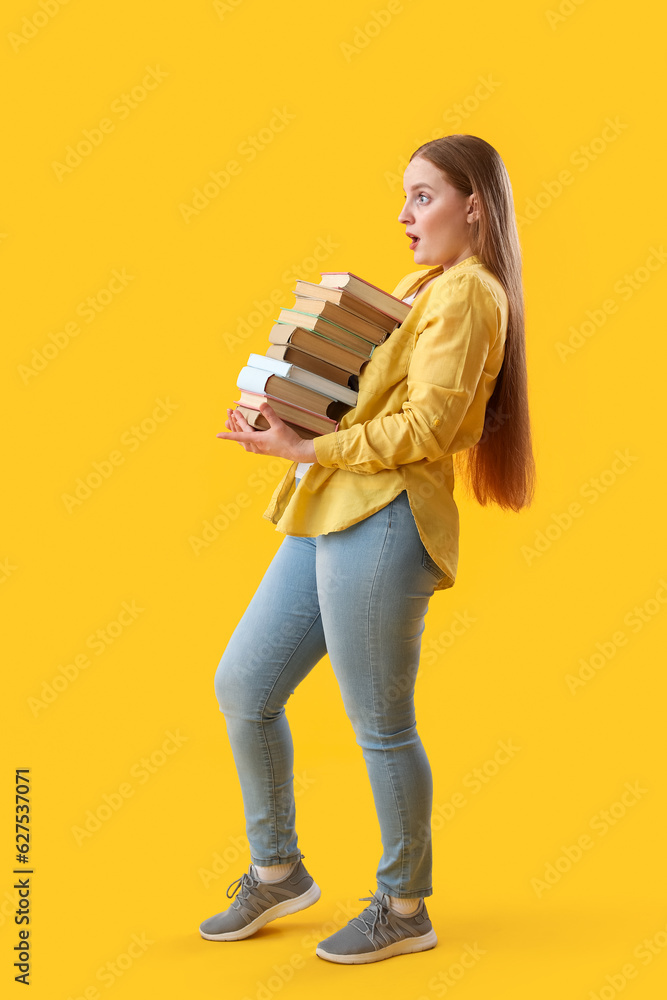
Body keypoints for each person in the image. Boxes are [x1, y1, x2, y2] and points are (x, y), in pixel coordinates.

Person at [200, 134, 535, 965]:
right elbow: (367, 403)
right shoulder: (422, 286)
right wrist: (289, 423)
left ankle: (403, 904)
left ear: (473, 206)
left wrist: (309, 451)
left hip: (384, 521)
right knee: (244, 684)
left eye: (422, 196)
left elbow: (431, 428)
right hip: (332, 506)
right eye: (404, 196)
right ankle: (277, 868)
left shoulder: (468, 295)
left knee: (379, 726)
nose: (403, 214)